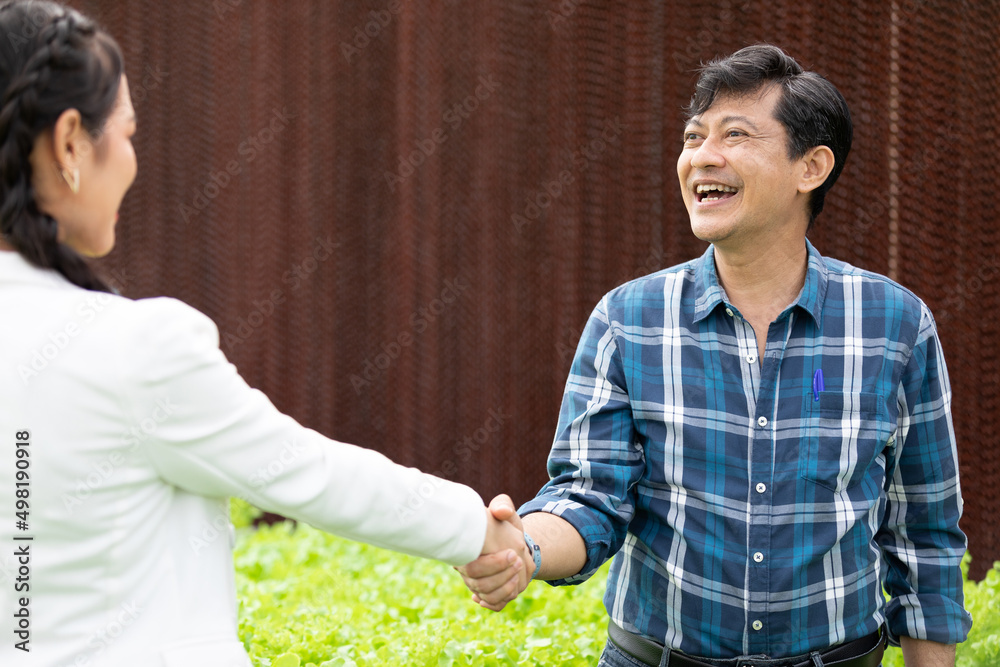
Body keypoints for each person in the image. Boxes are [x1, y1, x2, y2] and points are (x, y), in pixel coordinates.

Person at [0, 2, 522, 665]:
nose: (132, 160)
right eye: (128, 133)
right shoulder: (138, 348)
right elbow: (306, 473)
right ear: (72, 140)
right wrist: (476, 529)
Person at [459, 44, 972, 667]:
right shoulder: (627, 319)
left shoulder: (895, 324)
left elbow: (924, 533)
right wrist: (525, 548)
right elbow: (590, 496)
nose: (702, 156)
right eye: (693, 137)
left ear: (810, 167)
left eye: (735, 134)